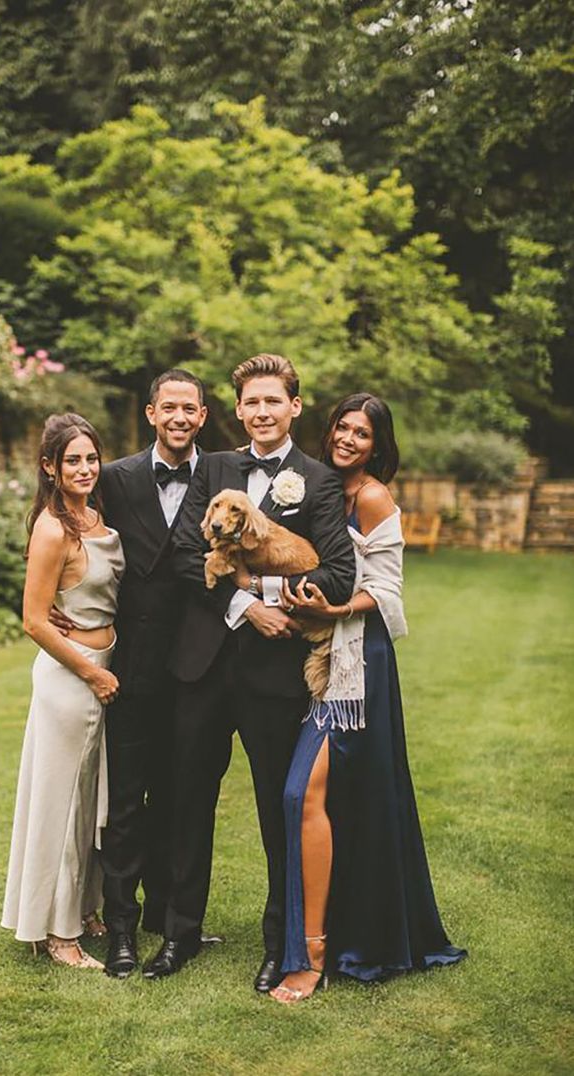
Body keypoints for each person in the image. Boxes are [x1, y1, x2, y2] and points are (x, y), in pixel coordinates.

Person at [142, 354, 356, 989]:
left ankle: (279, 942)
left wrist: (265, 594)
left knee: (275, 807)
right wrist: (239, 605)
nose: (262, 412)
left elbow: (337, 573)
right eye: (251, 403)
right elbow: (184, 551)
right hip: (203, 664)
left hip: (273, 675)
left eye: (274, 401)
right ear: (238, 411)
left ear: (294, 407)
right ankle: (179, 934)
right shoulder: (212, 468)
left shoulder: (317, 482)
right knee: (187, 800)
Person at [270, 393, 467, 1003]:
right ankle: (331, 934)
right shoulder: (317, 486)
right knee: (330, 797)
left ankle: (313, 955)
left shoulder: (374, 496)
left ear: (377, 445)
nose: (348, 439)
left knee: (302, 791)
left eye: (362, 433)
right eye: (342, 427)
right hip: (313, 656)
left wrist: (332, 607)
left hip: (358, 663)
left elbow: (387, 589)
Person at [1, 413, 125, 968]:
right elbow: (33, 620)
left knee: (91, 800)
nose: (84, 468)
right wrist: (92, 672)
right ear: (49, 467)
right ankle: (56, 933)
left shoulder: (98, 517)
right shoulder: (53, 528)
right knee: (62, 801)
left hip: (106, 663)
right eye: (71, 460)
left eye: (90, 458)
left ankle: (85, 908)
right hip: (72, 679)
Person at [96, 370, 208, 977]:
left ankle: (170, 920)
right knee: (126, 802)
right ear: (151, 413)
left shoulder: (220, 474)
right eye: (170, 407)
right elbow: (79, 538)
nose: (179, 417)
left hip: (196, 666)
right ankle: (121, 929)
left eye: (189, 408)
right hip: (133, 667)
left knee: (178, 798)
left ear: (204, 415)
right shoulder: (115, 478)